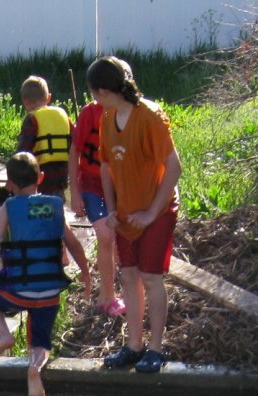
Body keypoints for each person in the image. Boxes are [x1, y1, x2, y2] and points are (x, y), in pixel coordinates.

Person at [0, 151, 92, 396]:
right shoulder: (56, 205)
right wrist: (86, 274)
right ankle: (35, 367)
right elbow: (75, 246)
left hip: (17, 291)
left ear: (8, 185)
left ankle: (4, 335)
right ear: (41, 177)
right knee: (40, 341)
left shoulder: (9, 206)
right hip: (49, 291)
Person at [89, 56, 182, 375]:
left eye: (94, 94)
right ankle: (134, 345)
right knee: (128, 276)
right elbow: (105, 166)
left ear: (102, 90)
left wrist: (151, 212)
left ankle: (156, 348)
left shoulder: (151, 116)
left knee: (151, 278)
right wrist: (112, 209)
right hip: (126, 213)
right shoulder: (107, 117)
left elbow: (174, 167)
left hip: (157, 210)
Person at [68, 62, 129, 319]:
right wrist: (75, 192)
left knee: (119, 239)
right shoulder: (89, 114)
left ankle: (126, 291)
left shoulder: (129, 114)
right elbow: (75, 152)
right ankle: (107, 295)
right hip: (92, 186)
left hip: (121, 188)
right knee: (105, 236)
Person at [15, 76, 73, 198]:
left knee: (40, 203)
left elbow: (24, 150)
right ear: (49, 98)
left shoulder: (32, 119)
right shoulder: (62, 115)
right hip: (62, 171)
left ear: (25, 100)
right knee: (57, 201)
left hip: (41, 172)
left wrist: (15, 170)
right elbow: (75, 138)